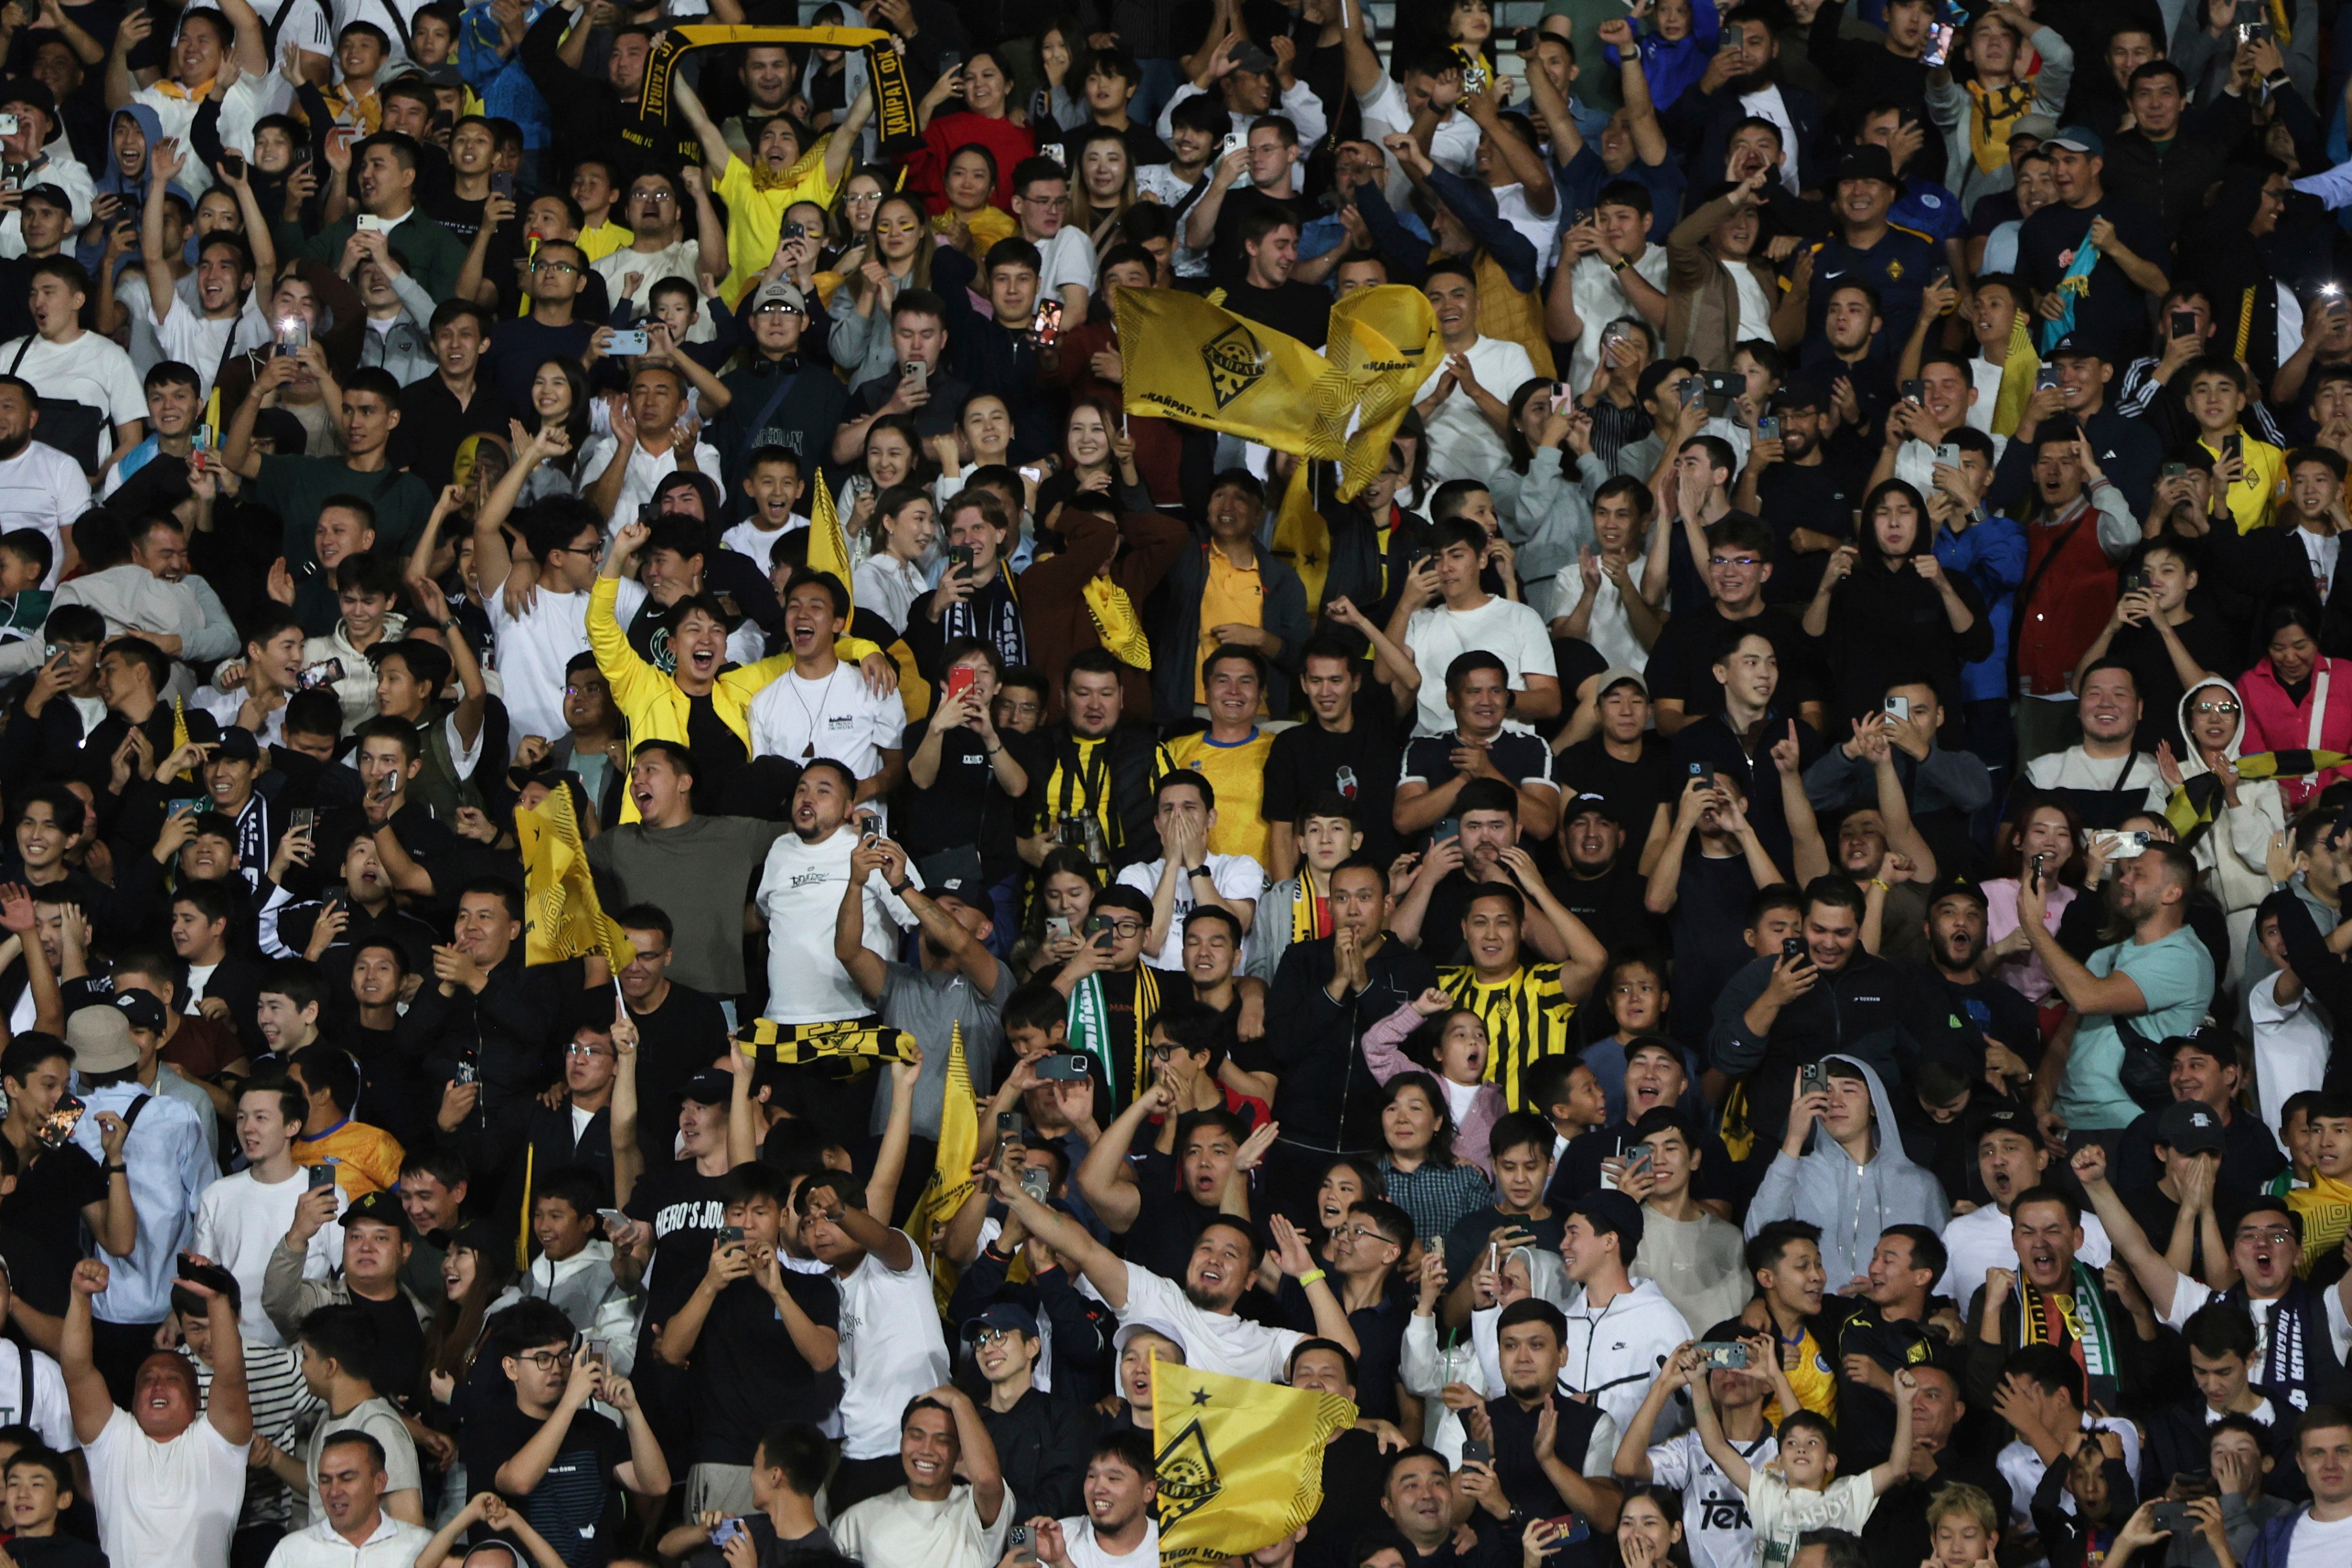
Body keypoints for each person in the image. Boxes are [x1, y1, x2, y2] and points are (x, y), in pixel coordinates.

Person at [64, 1257, 251, 1568]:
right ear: (134, 1399)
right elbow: (77, 1373)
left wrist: (217, 1299)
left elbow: (231, 1377)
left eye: (172, 1379)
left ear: (197, 1399)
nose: (157, 1386)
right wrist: (81, 1297)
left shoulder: (220, 1445)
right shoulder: (113, 1442)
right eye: (147, 1380)